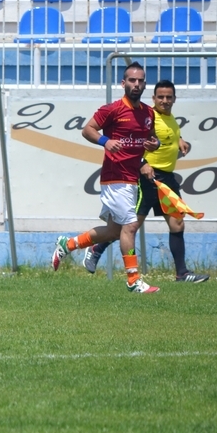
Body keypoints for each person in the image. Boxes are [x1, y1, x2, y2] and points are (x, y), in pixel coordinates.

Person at [82, 80, 210, 283]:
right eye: (161, 97)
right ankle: (96, 249)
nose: (165, 101)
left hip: (166, 179)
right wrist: (142, 163)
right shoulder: (148, 116)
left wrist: (179, 139)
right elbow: (133, 143)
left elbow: (162, 136)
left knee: (177, 223)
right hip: (147, 178)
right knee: (128, 227)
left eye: (169, 97)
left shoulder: (169, 118)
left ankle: (182, 273)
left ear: (174, 99)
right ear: (153, 98)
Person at [51, 61, 161, 294]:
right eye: (132, 80)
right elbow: (87, 129)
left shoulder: (148, 113)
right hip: (115, 176)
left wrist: (155, 144)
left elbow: (151, 139)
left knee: (113, 232)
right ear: (123, 83)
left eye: (140, 81)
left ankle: (67, 244)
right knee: (130, 226)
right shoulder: (112, 109)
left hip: (131, 178)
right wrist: (105, 141)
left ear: (145, 84)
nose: (136, 84)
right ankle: (133, 280)